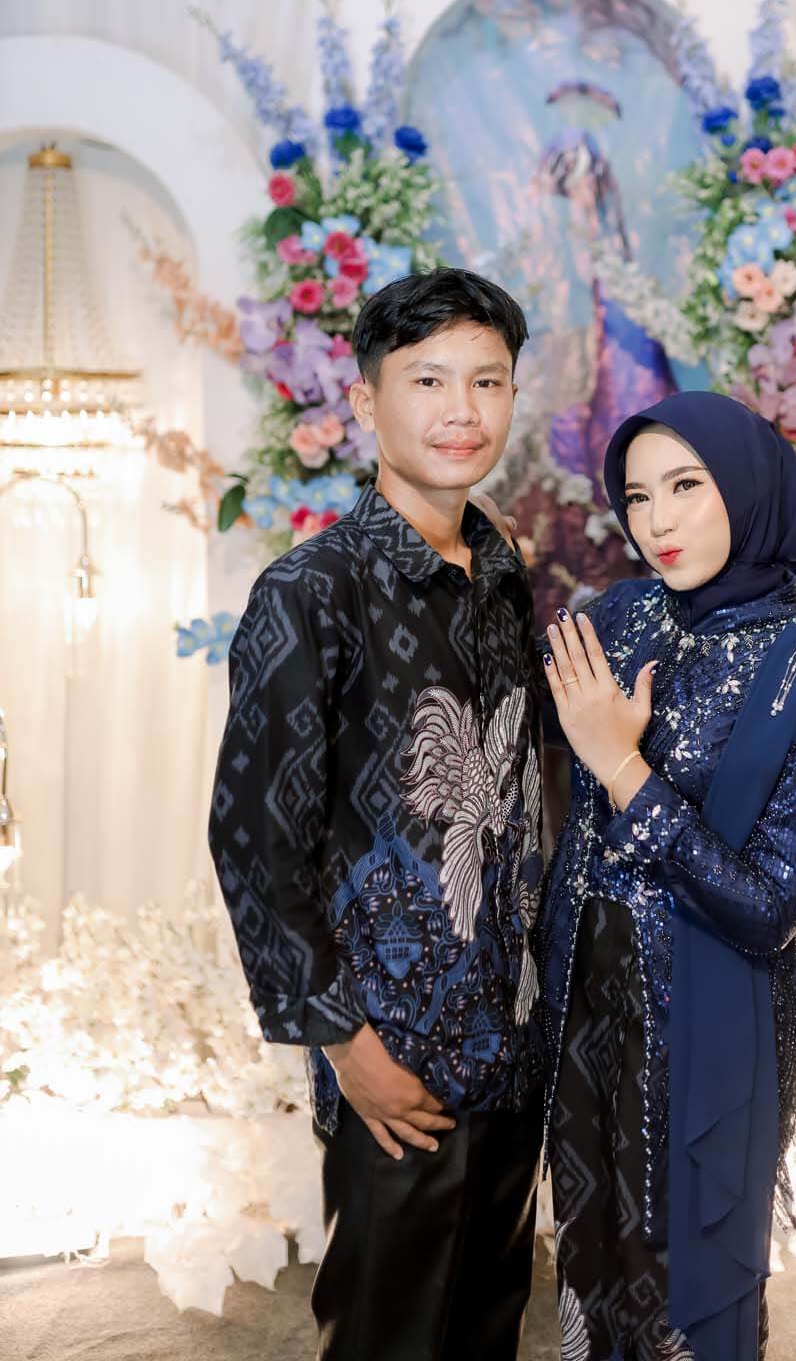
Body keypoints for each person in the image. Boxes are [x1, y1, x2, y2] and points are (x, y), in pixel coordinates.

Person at [209, 268, 545, 1361]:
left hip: (511, 1042)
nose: (461, 409)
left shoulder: (501, 578)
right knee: (387, 1338)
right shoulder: (311, 591)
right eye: (428, 380)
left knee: (487, 1329)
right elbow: (255, 838)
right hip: (390, 1054)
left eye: (486, 380)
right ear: (365, 400)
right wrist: (343, 1044)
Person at [537, 391, 796, 1361]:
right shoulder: (617, 618)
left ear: (747, 490)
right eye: (637, 497)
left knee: (683, 1294)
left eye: (684, 486)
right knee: (592, 1279)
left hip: (702, 1031)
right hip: (583, 1018)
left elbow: (769, 908)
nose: (656, 521)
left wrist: (623, 769)